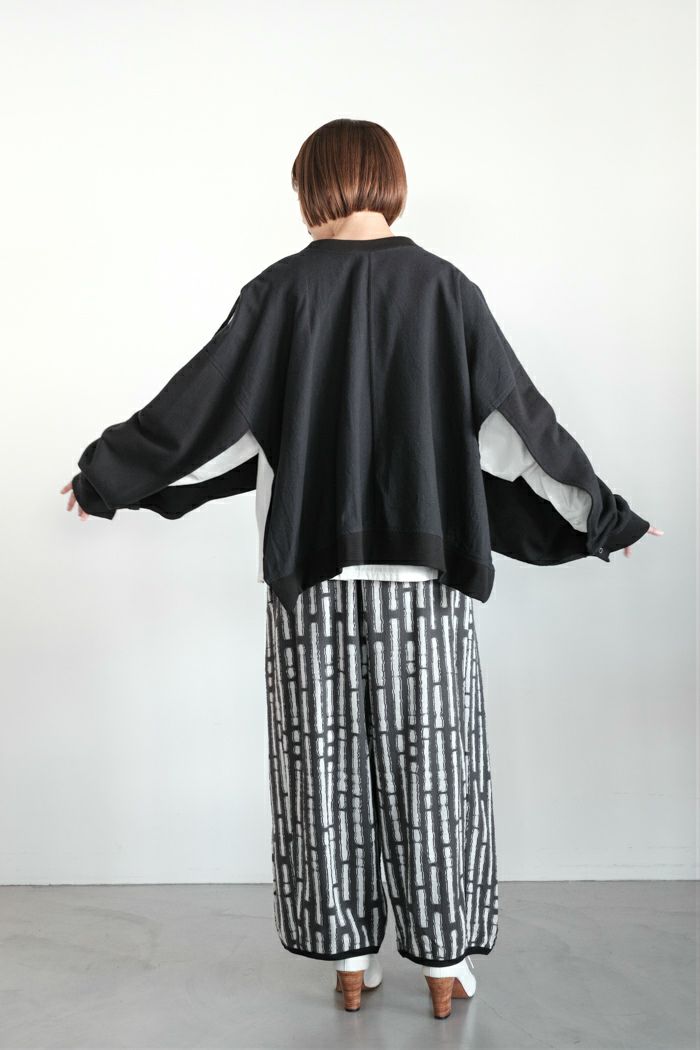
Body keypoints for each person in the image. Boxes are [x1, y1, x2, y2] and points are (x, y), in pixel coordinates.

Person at [62, 118, 662, 1020]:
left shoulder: (278, 293)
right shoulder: (447, 291)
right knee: (434, 773)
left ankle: (348, 959)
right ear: (391, 181)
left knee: (322, 773)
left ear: (312, 188)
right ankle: (444, 965)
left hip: (311, 582)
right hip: (426, 590)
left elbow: (203, 416)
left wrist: (104, 478)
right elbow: (519, 429)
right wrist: (603, 517)